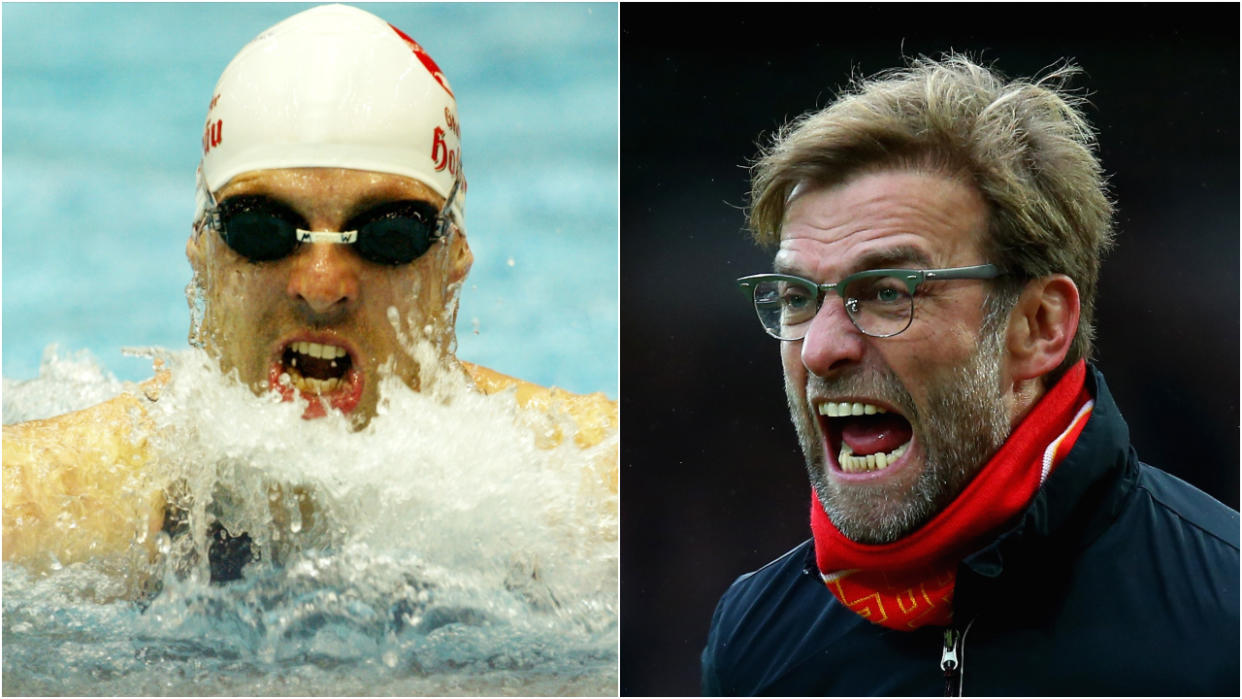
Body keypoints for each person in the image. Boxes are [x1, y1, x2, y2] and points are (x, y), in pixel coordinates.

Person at [3, 4, 617, 581]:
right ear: (203, 248)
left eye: (389, 234)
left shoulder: (587, 485)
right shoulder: (49, 501)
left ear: (452, 259)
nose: (322, 286)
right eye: (263, 227)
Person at [700, 54, 1238, 695]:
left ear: (1038, 325)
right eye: (795, 297)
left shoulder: (1225, 623)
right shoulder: (756, 639)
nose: (819, 350)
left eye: (889, 290)